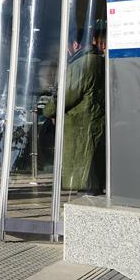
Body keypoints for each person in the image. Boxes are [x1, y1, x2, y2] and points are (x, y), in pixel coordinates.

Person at [43, 22, 106, 194]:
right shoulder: (100, 61)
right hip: (94, 124)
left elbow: (66, 96)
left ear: (76, 44)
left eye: (66, 46)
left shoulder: (82, 64)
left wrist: (48, 110)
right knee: (93, 176)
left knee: (84, 180)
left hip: (80, 127)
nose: (65, 51)